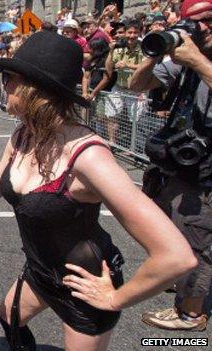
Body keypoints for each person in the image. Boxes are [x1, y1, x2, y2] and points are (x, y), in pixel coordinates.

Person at [0, 31, 196, 350]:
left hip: (83, 288)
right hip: (39, 273)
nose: (0, 83)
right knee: (8, 316)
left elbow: (176, 256)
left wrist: (116, 297)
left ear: (34, 88)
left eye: (8, 77)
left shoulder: (87, 155)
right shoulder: (23, 136)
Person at [129, 0, 212, 331]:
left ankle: (190, 314)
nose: (200, 29)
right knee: (169, 227)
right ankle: (179, 274)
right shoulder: (186, 62)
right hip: (180, 163)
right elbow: (136, 85)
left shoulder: (197, 61)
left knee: (198, 240)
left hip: (207, 174)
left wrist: (197, 60)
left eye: (206, 21)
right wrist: (156, 52)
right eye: (193, 22)